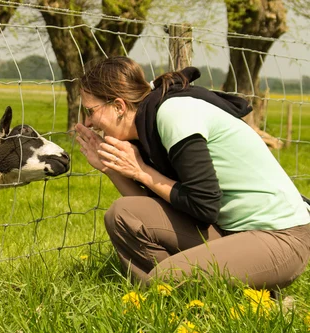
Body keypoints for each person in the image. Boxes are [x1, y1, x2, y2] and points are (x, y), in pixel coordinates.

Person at [75, 56, 310, 291]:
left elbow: (204, 205)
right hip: (230, 230)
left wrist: (142, 172)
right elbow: (160, 206)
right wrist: (111, 168)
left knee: (165, 279)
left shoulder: (173, 115)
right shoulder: (148, 129)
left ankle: (247, 302)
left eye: (90, 110)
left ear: (119, 106)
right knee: (122, 215)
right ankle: (188, 298)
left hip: (281, 238)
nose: (88, 121)